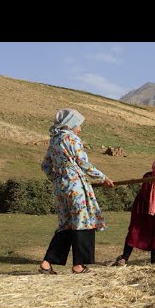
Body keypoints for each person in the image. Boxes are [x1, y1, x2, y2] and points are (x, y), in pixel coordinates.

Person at [39, 108, 115, 274]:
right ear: (71, 124)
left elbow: (45, 166)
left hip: (61, 188)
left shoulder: (54, 140)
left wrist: (58, 178)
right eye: (79, 125)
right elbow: (83, 162)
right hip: (75, 186)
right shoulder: (72, 138)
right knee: (83, 222)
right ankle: (79, 265)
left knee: (66, 225)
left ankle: (47, 263)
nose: (80, 129)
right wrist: (103, 178)